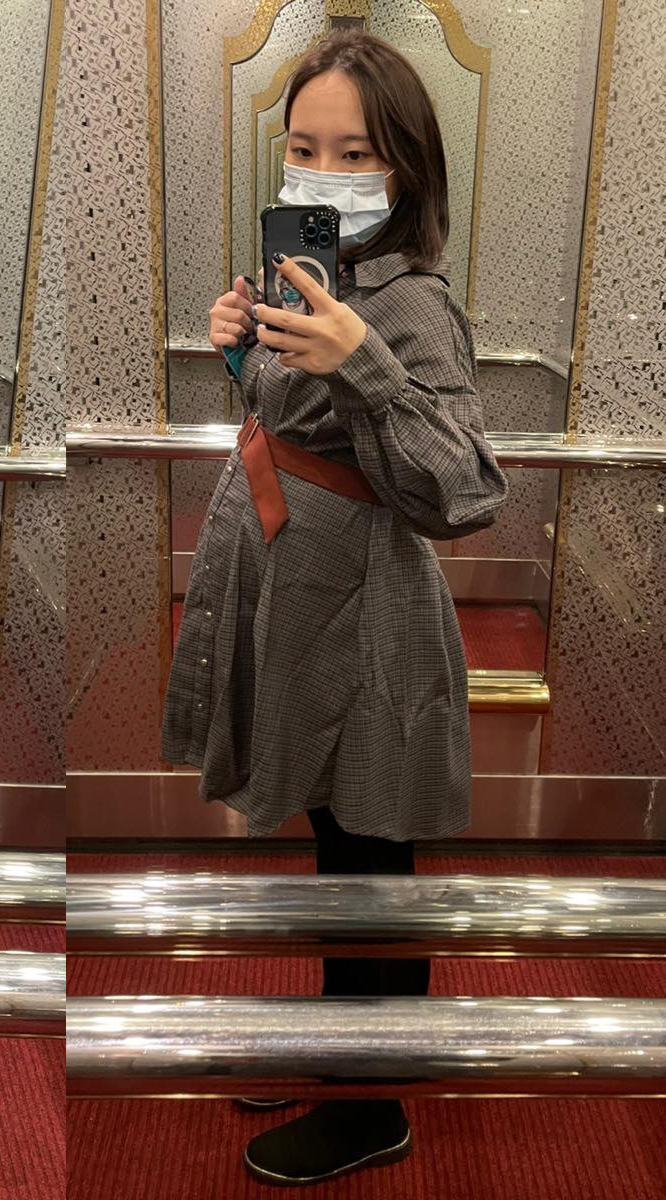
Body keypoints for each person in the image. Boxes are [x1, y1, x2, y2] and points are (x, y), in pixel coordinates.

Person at [161, 31, 509, 1187]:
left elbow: (462, 491)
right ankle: (345, 1049)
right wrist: (239, 357)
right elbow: (293, 418)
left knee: (374, 860)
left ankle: (374, 1104)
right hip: (299, 599)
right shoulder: (312, 277)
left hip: (366, 624)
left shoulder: (408, 306)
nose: (322, 171)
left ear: (404, 166)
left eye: (353, 152)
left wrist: (363, 358)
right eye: (303, 148)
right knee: (338, 845)